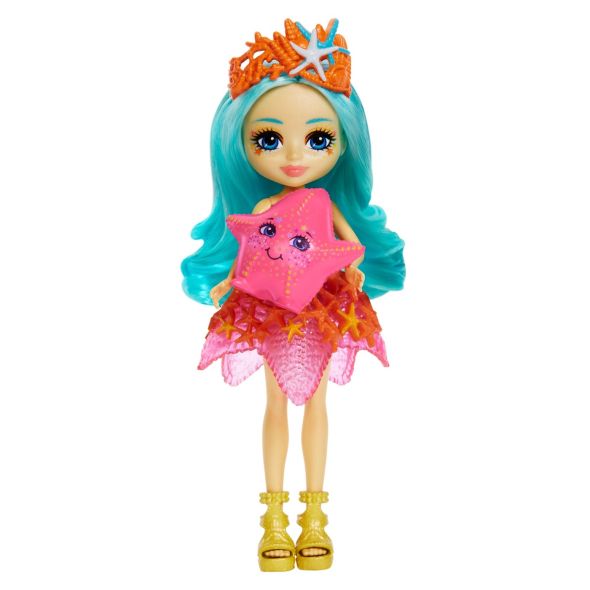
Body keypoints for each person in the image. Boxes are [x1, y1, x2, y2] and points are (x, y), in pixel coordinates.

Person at [181, 18, 405, 571]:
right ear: (239, 146)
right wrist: (229, 281)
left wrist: (353, 269)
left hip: (321, 303)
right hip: (273, 305)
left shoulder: (326, 204)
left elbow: (350, 245)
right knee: (276, 402)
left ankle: (315, 515)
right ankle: (275, 517)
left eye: (319, 139)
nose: (294, 155)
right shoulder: (262, 207)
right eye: (268, 139)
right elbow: (252, 250)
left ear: (345, 142)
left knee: (318, 404)